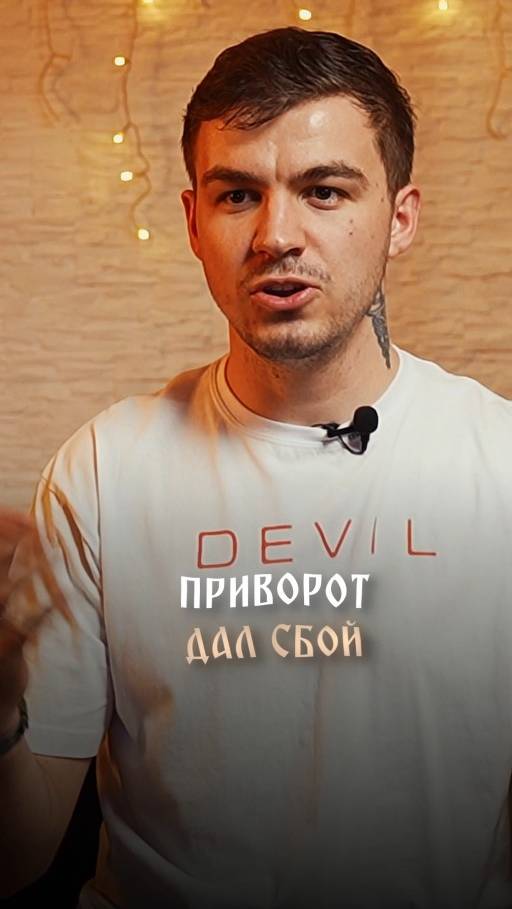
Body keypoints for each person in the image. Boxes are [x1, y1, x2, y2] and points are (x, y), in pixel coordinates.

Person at [1, 25, 512, 909]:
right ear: (193, 221)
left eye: (324, 190)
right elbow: (19, 853)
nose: (277, 235)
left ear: (400, 219)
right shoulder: (101, 472)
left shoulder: (497, 463)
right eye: (239, 194)